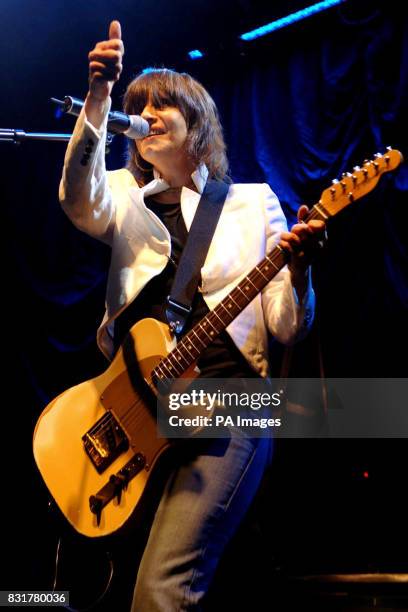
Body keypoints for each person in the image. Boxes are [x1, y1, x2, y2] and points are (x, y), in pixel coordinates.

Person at [59, 19, 325, 612]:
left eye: (162, 105)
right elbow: (76, 201)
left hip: (233, 402)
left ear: (196, 119)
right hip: (144, 410)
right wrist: (100, 99)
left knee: (160, 592)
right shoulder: (126, 197)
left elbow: (286, 326)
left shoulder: (253, 202)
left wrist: (302, 271)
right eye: (139, 106)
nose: (147, 114)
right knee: (97, 592)